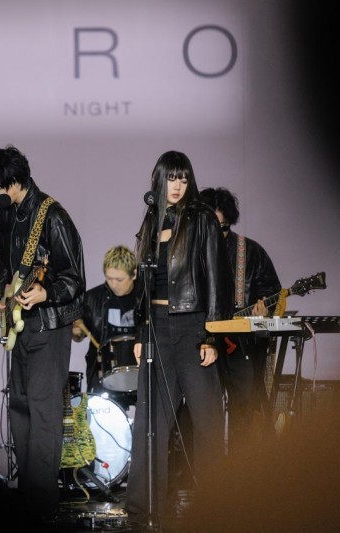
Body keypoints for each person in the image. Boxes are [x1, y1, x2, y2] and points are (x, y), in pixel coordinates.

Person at [0, 145, 86, 524]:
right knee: (21, 410)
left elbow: (74, 278)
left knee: (43, 413)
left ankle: (41, 506)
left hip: (49, 327)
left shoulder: (53, 217)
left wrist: (46, 292)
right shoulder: (7, 214)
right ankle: (28, 498)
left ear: (13, 181)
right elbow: (6, 269)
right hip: (20, 327)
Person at [125, 150, 234, 521]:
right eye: (172, 178)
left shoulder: (202, 218)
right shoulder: (151, 219)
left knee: (207, 420)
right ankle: (142, 509)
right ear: (159, 179)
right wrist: (141, 331)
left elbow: (218, 279)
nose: (177, 186)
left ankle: (216, 509)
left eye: (183, 179)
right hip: (156, 326)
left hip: (193, 325)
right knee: (149, 424)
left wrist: (211, 335)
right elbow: (143, 284)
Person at [199, 187, 282, 454]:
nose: (216, 234)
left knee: (245, 405)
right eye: (209, 227)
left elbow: (272, 292)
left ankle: (241, 468)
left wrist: (264, 308)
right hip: (200, 340)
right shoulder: (191, 253)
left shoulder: (251, 252)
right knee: (200, 407)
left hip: (241, 343)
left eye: (222, 228)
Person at [72, 245, 139, 411]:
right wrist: (76, 331)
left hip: (140, 367)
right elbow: (78, 336)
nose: (114, 284)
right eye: (109, 278)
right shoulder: (92, 298)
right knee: (101, 417)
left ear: (134, 274)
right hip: (103, 371)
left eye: (119, 279)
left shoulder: (144, 297)